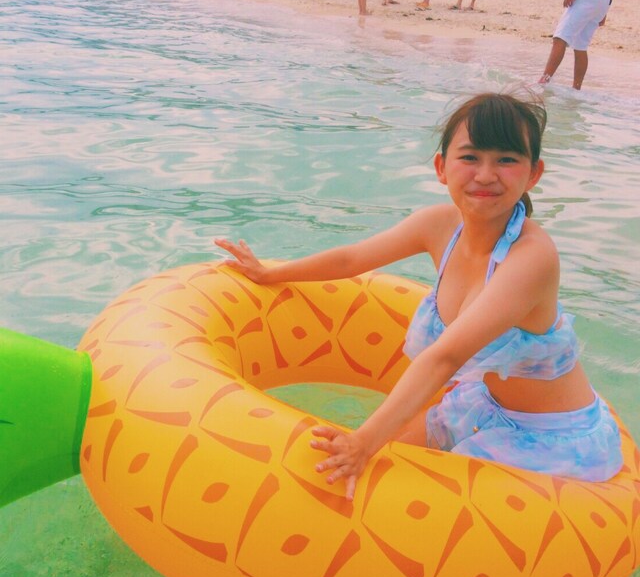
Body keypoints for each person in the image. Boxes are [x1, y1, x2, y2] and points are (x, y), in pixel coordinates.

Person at [215, 92, 623, 501]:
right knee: (364, 477)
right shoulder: (440, 225)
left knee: (392, 489)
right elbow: (351, 259)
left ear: (533, 173)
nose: (485, 175)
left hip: (553, 438)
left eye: (506, 159)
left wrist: (362, 443)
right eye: (470, 157)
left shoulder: (532, 257)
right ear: (441, 167)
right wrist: (270, 273)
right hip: (482, 406)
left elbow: (446, 357)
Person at [539, 0, 612, 90]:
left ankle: (543, 82)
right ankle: (576, 90)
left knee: (560, 38)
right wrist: (606, 6)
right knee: (581, 46)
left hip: (588, 0)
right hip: (603, 1)